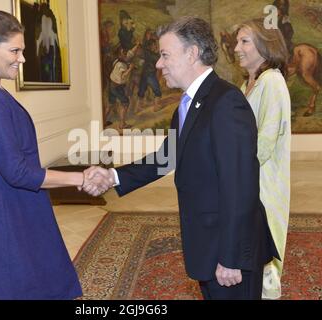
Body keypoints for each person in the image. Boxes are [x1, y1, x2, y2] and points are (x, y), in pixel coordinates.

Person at [84, 16, 279, 300]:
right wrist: (112, 176)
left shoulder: (225, 102)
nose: (158, 64)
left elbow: (240, 186)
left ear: (192, 54)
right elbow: (167, 157)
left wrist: (231, 256)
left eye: (165, 55)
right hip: (207, 241)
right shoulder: (188, 104)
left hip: (229, 248)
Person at [0, 10, 107, 299]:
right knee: (14, 285)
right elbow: (17, 171)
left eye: (22, 50)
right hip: (0, 211)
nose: (22, 58)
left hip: (1, 200)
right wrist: (80, 177)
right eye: (14, 50)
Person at [234, 18, 291, 300]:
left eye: (244, 41)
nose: (236, 48)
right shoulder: (251, 81)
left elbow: (265, 142)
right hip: (249, 180)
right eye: (237, 41)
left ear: (265, 46)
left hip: (263, 183)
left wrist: (233, 173)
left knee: (265, 256)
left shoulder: (272, 81)